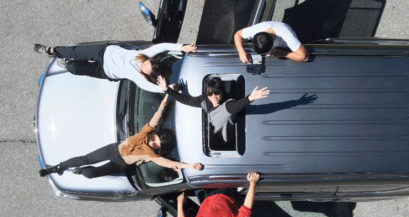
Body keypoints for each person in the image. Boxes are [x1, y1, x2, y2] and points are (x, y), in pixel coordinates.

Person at [39, 91, 203, 178]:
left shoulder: (152, 155)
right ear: (154, 134)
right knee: (85, 158)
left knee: (90, 173)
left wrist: (189, 166)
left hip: (120, 164)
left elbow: (169, 164)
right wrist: (168, 93)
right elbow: (159, 112)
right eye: (154, 138)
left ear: (158, 148)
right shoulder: (147, 131)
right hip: (114, 150)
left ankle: (80, 171)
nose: (151, 142)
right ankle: (56, 167)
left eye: (155, 144)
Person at [33, 42, 197, 93]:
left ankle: (67, 63)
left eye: (145, 68)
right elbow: (161, 46)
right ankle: (51, 51)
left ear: (147, 74)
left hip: (104, 71)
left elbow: (150, 87)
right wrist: (181, 47)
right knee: (74, 51)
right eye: (146, 62)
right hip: (102, 52)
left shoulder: (138, 78)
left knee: (74, 69)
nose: (143, 64)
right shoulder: (144, 54)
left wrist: (166, 88)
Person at [157, 76, 270, 142]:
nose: (213, 96)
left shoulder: (227, 105)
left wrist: (250, 98)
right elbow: (186, 100)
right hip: (214, 133)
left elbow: (236, 106)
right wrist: (167, 90)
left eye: (217, 93)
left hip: (227, 137)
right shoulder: (204, 101)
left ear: (222, 92)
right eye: (210, 93)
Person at [233, 21, 308, 63]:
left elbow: (304, 57)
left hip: (290, 46)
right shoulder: (256, 30)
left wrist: (283, 53)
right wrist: (241, 51)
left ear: (273, 44)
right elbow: (238, 34)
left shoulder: (287, 36)